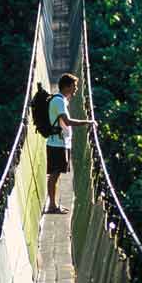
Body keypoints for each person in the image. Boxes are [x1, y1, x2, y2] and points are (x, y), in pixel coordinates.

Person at [44, 72, 97, 215]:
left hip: (61, 143)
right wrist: (88, 122)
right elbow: (67, 121)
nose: (76, 89)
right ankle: (52, 206)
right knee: (54, 175)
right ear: (66, 86)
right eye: (74, 86)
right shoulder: (59, 101)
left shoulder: (60, 100)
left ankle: (54, 205)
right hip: (57, 144)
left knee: (56, 174)